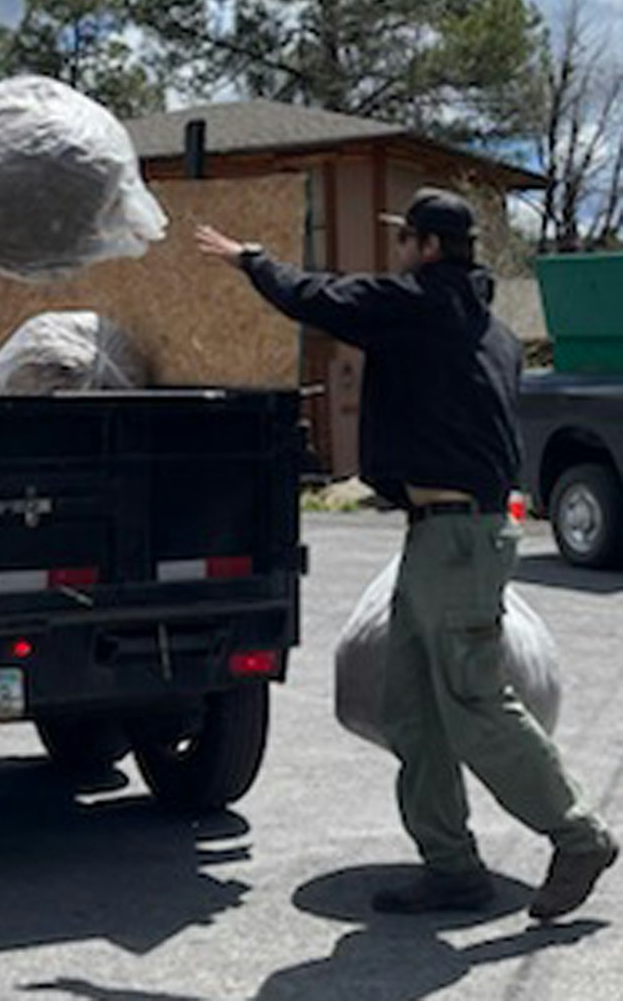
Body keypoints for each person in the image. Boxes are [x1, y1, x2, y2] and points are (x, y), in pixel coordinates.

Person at [197, 188, 617, 919]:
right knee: (411, 707)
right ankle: (451, 867)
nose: (395, 253)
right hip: (441, 536)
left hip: (457, 538)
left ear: (427, 248)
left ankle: (578, 834)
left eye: (404, 241)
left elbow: (319, 297)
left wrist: (249, 259)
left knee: (472, 701)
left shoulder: (423, 304)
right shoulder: (491, 330)